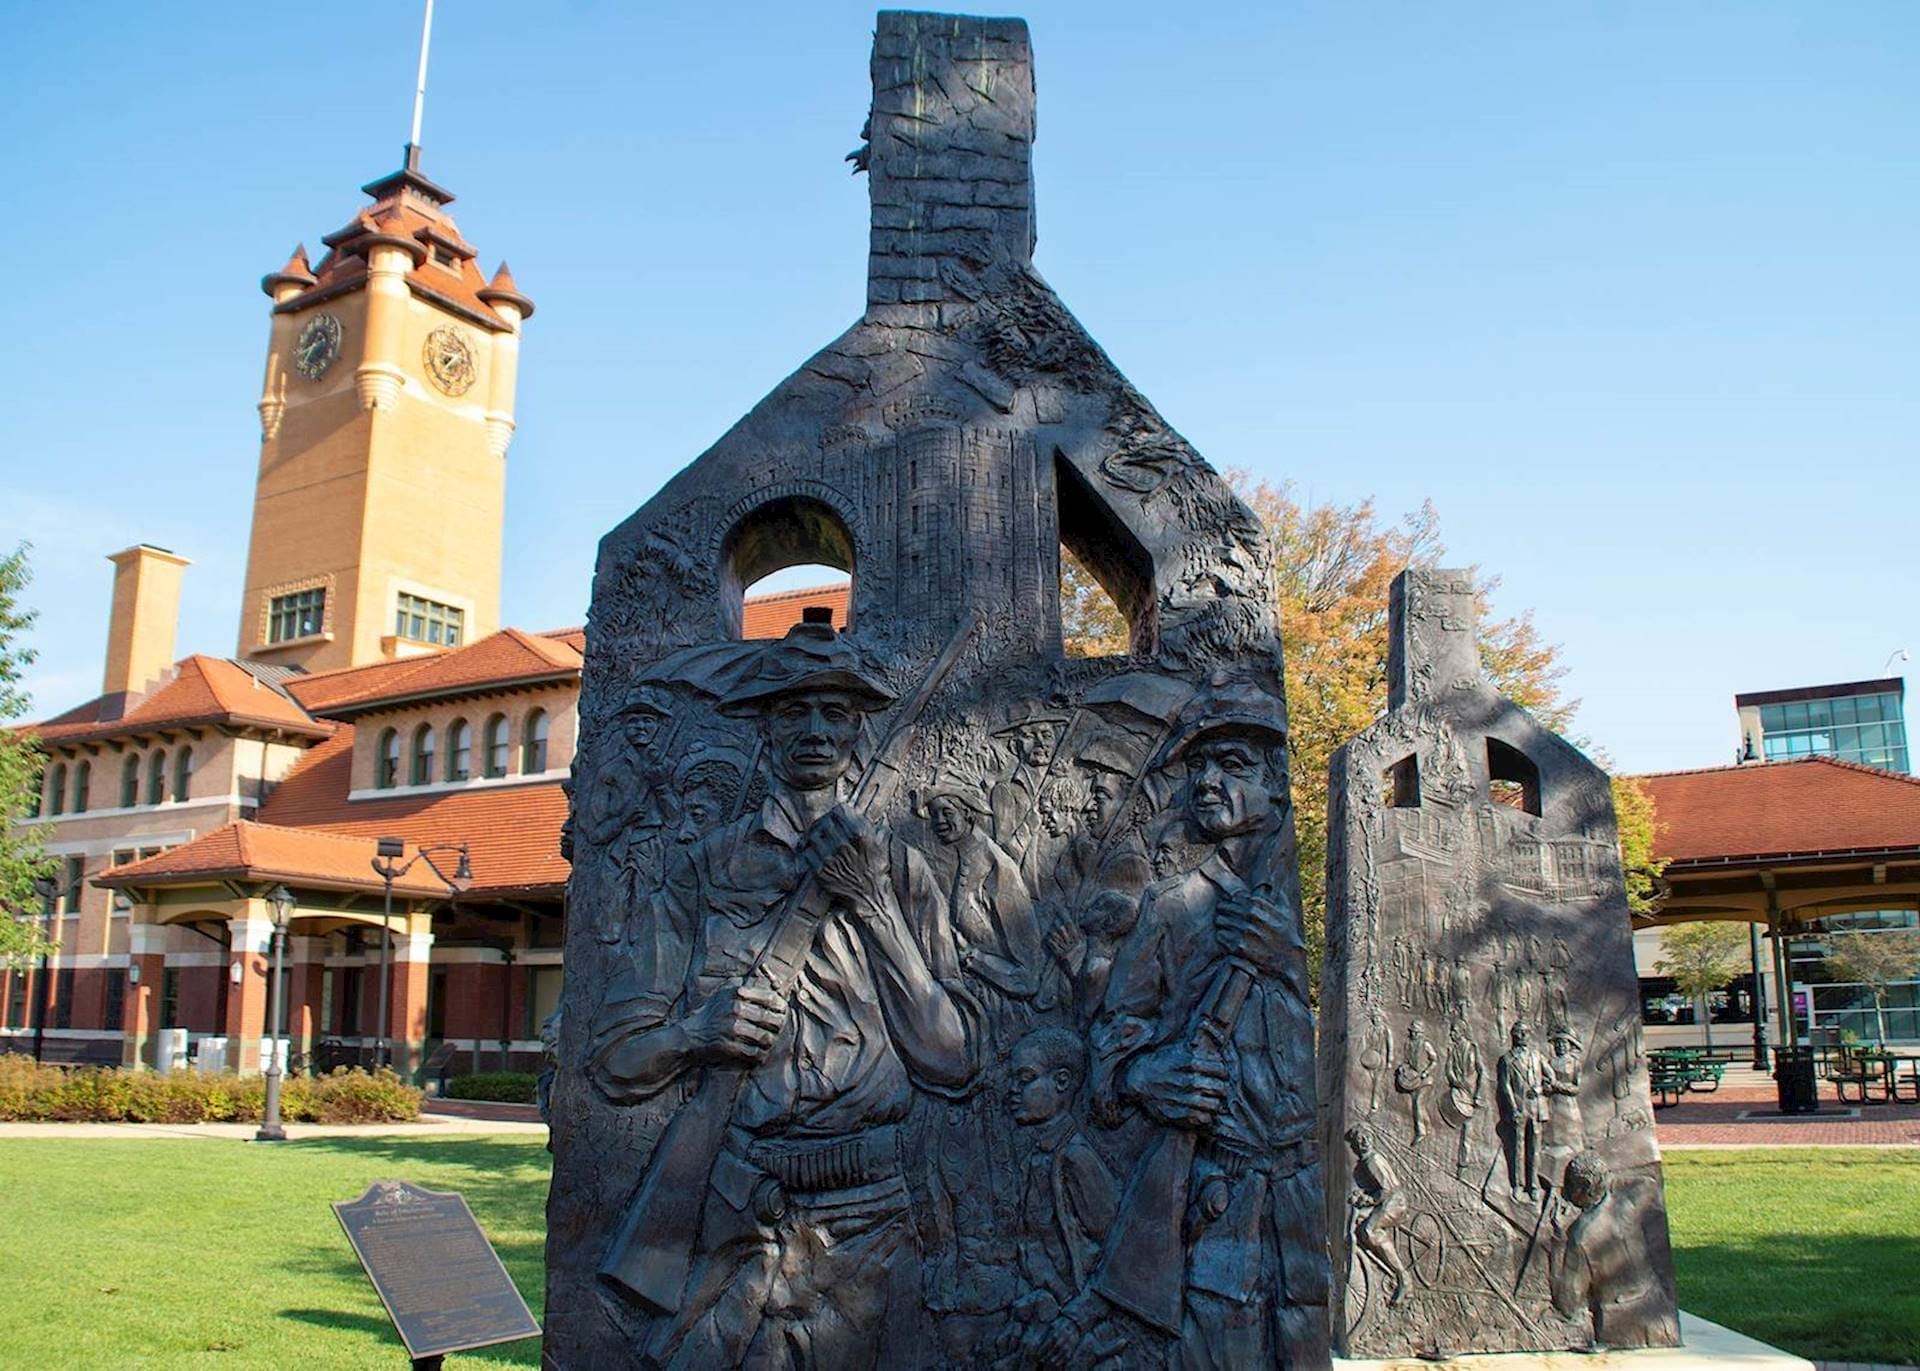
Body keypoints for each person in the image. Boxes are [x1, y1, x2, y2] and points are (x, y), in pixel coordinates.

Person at [588, 620, 977, 1370]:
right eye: (794, 710)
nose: (815, 729)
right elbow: (614, 1064)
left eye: (835, 712)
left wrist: (871, 904)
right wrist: (694, 1034)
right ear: (764, 726)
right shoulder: (702, 870)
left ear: (859, 731)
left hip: (873, 1214)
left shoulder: (900, 872)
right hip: (736, 1204)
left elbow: (953, 1061)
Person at [1090, 682, 1329, 1369]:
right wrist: (1145, 1074)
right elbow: (1110, 1049)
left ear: (1277, 783)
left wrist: (1286, 955)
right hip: (1223, 1188)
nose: (1207, 781)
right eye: (1197, 767)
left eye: (1231, 763)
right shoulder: (1171, 908)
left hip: (1302, 1187)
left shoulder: (1296, 911)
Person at [993, 1026, 1120, 1367]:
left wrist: (1080, 1320)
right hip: (1039, 1318)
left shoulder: (1076, 1158)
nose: (1013, 1090)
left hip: (1076, 1335)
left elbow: (1116, 1253)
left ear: (1061, 1082)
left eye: (1026, 1078)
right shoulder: (1039, 1155)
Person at [1550, 1150, 1681, 1348]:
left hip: (1621, 1327)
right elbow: (1648, 1183)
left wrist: (1559, 1241)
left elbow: (1567, 1303)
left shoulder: (1580, 1237)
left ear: (1584, 1186)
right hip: (1658, 1312)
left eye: (1569, 1186)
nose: (1566, 1193)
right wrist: (1604, 1179)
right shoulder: (1627, 1204)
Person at [1344, 1124, 1411, 1306]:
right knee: (1358, 1220)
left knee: (1368, 1231)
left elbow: (1386, 1190)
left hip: (1394, 1202)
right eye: (1359, 1140)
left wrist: (1367, 1200)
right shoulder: (1366, 1162)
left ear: (1372, 1138)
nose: (1363, 1142)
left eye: (1366, 1137)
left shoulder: (1372, 1160)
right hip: (1386, 1201)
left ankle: (1403, 1277)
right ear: (1355, 1146)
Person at [1498, 1021, 1551, 1201]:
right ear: (1513, 1035)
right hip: (1519, 1109)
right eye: (1519, 1033)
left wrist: (1540, 1089)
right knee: (1517, 1149)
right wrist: (1513, 1108)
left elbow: (1550, 1078)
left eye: (1525, 1032)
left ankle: (1533, 1185)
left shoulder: (1537, 1056)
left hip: (1536, 1108)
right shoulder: (1506, 1059)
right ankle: (1517, 1185)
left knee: (1534, 1149)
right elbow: (1505, 1086)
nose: (1522, 1036)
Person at [1394, 1019, 1437, 1147]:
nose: (1414, 1034)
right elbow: (1406, 1061)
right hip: (1413, 1080)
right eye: (1412, 1032)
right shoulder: (1408, 1044)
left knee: (1419, 1103)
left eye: (1416, 1032)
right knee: (1417, 1106)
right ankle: (1428, 1129)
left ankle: (1421, 1132)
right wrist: (1403, 1067)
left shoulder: (1426, 1045)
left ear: (1421, 1033)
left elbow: (1434, 1060)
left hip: (1425, 1080)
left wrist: (1426, 1072)